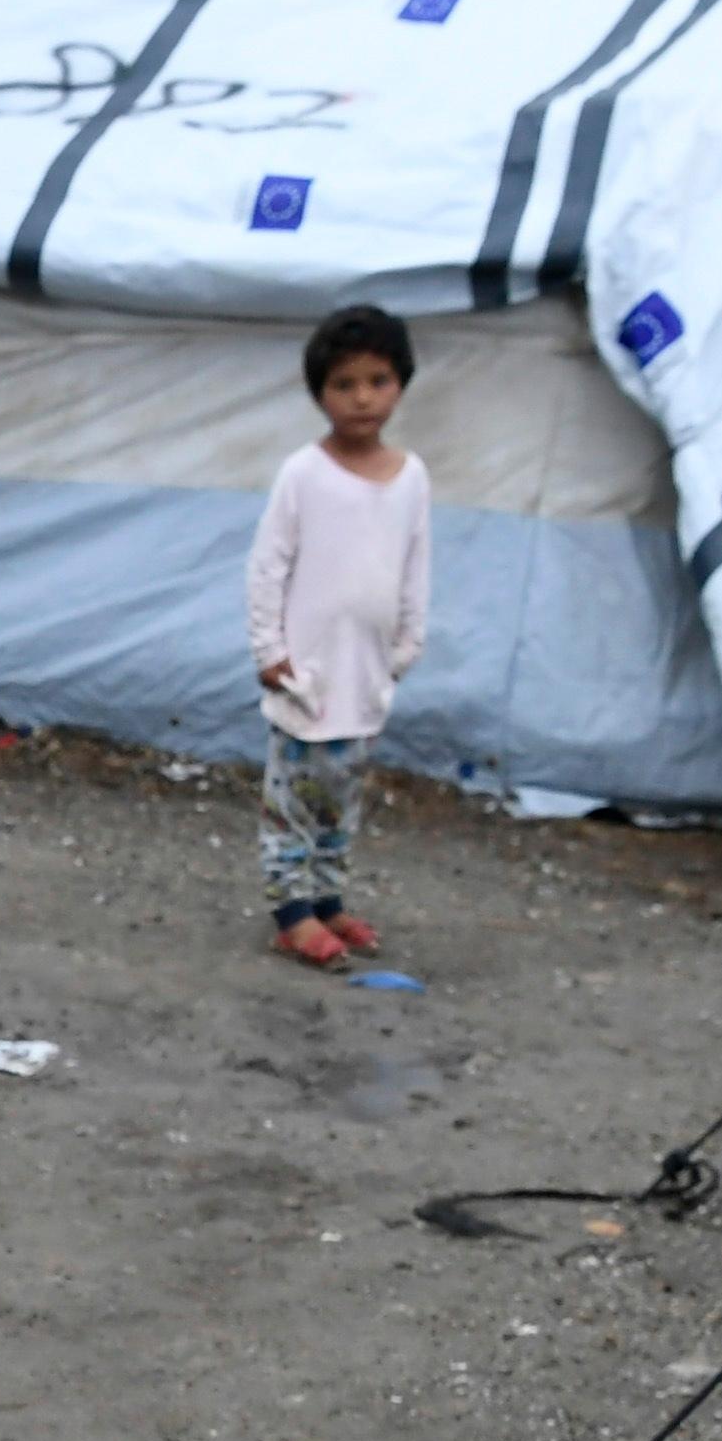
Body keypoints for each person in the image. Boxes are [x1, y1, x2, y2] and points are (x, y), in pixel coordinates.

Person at [247, 300, 433, 971]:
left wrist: (406, 644)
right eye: (345, 384)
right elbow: (268, 566)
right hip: (308, 674)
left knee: (342, 797)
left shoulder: (411, 477)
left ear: (401, 383)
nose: (363, 399)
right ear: (320, 393)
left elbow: (415, 563)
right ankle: (291, 912)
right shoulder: (304, 474)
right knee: (292, 798)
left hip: (367, 672)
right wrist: (271, 650)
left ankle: (327, 899)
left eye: (378, 381)